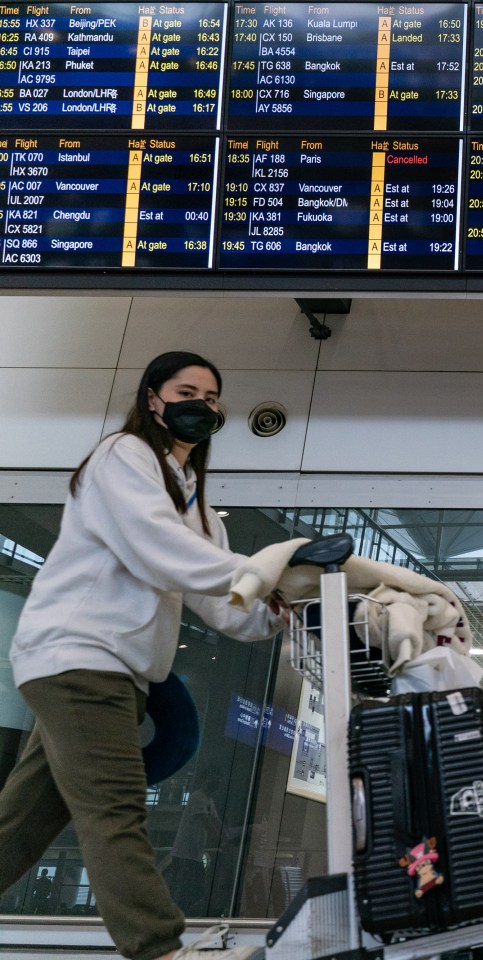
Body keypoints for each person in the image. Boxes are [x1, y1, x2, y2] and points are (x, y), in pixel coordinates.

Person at [0, 351, 284, 960]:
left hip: (117, 670)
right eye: (187, 392)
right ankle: (159, 948)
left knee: (20, 826)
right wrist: (267, 573)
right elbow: (156, 547)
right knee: (115, 809)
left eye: (211, 399)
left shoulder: (198, 501)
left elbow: (224, 606)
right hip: (81, 656)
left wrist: (279, 608)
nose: (201, 406)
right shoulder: (122, 456)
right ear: (153, 398)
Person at [161, 770, 224, 916]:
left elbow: (217, 822)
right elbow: (206, 822)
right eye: (214, 780)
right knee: (186, 889)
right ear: (205, 780)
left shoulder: (209, 800)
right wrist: (221, 841)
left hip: (194, 854)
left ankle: (185, 914)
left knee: (195, 888)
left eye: (219, 781)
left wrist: (227, 835)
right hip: (184, 854)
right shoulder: (198, 797)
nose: (217, 784)